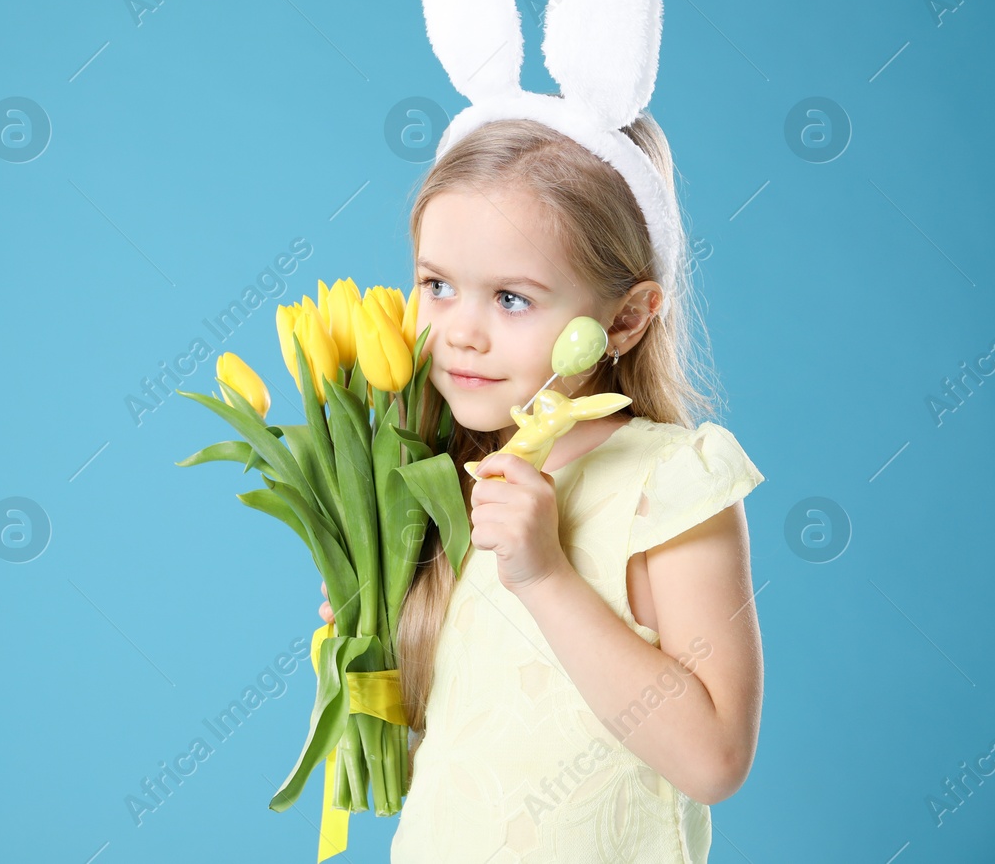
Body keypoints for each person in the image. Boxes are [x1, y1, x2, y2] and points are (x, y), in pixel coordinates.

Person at [318, 112, 766, 861]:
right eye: (438, 285)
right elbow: (468, 742)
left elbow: (715, 758)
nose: (462, 330)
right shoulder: (442, 483)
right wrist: (370, 652)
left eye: (512, 298)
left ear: (624, 319)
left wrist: (546, 576)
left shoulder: (670, 482)